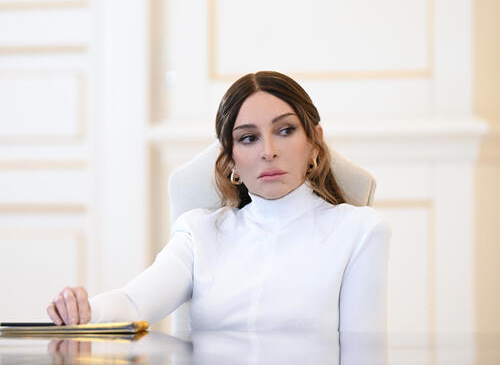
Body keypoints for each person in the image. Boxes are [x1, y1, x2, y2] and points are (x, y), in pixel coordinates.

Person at [47, 71, 391, 332]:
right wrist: (85, 310)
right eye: (249, 138)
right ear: (230, 160)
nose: (268, 151)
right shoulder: (200, 233)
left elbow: (365, 356)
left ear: (314, 142)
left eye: (285, 130)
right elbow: (134, 303)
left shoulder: (359, 230)